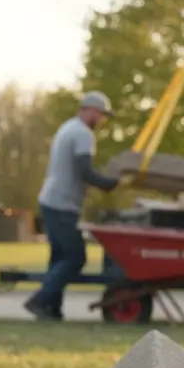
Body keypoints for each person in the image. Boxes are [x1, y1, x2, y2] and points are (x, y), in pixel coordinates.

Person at [26, 91, 121, 321]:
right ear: (90, 110)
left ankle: (51, 310)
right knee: (75, 257)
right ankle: (40, 300)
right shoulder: (83, 134)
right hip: (62, 203)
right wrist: (108, 183)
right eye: (101, 115)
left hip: (51, 199)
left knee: (58, 257)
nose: (102, 121)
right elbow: (84, 169)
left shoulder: (66, 128)